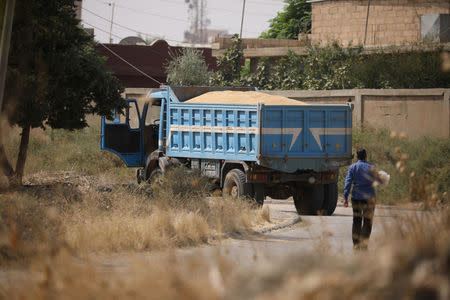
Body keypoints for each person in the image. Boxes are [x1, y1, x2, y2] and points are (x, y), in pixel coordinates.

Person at [343, 148, 380, 250]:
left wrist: (345, 197)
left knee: (357, 220)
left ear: (357, 157)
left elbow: (348, 183)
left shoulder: (352, 167)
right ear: (366, 156)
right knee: (368, 221)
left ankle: (356, 244)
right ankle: (364, 244)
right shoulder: (372, 167)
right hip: (369, 197)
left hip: (356, 197)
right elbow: (379, 181)